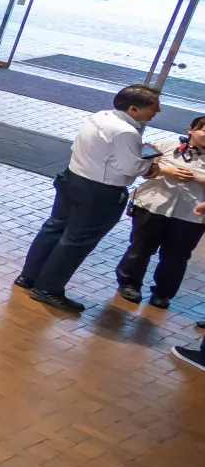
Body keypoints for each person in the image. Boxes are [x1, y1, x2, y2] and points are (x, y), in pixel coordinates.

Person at [16, 84, 160, 311]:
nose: (157, 111)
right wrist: (151, 166)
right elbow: (130, 167)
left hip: (72, 179)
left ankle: (29, 277)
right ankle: (48, 289)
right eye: (154, 107)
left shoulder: (100, 116)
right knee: (76, 241)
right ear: (133, 109)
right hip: (99, 192)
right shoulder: (126, 132)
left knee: (54, 228)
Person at [118, 114, 205, 307]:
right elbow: (140, 164)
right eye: (204, 130)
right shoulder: (168, 144)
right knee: (140, 248)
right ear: (191, 129)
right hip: (153, 205)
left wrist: (198, 178)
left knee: (176, 257)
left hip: (191, 215)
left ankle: (163, 293)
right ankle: (128, 284)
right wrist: (166, 171)